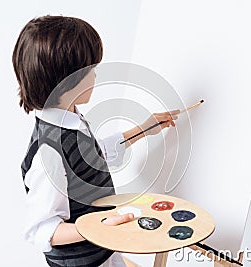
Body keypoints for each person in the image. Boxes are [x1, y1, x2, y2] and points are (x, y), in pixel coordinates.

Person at [12, 15, 179, 267]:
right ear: (65, 82)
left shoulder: (70, 117)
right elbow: (43, 230)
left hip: (105, 250)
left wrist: (144, 129)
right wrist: (102, 224)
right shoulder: (49, 154)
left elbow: (93, 155)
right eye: (90, 70)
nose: (96, 76)